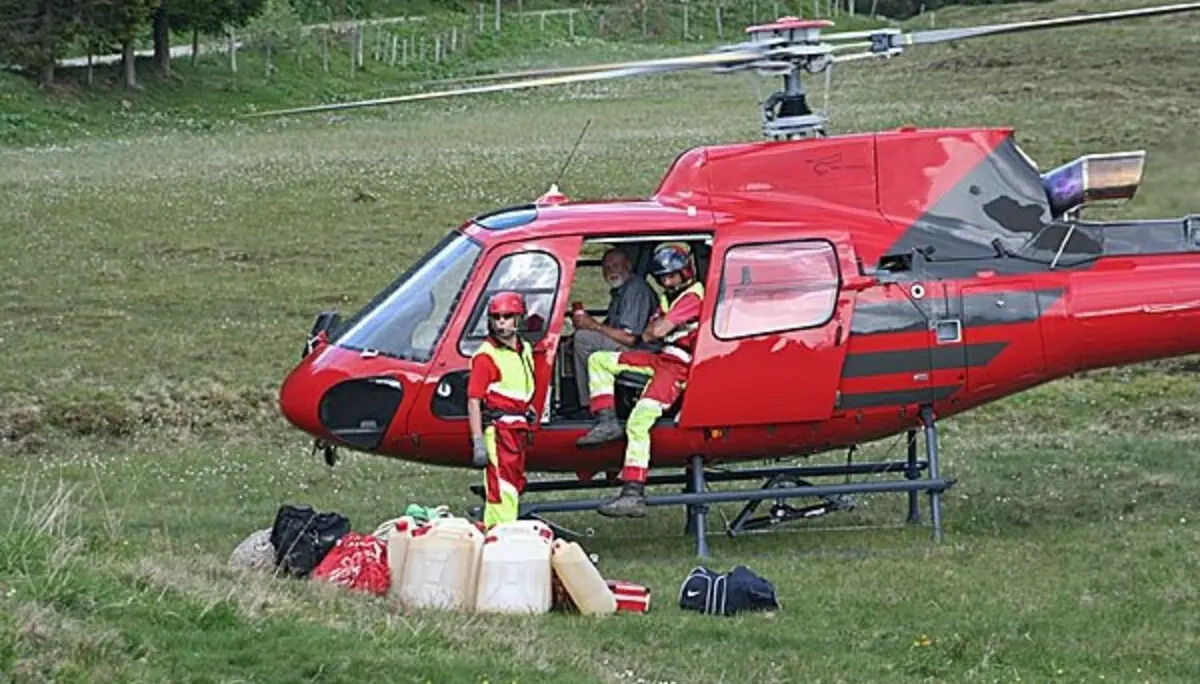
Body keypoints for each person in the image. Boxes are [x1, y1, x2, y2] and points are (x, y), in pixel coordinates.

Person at [575, 244, 705, 518]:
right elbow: (648, 335)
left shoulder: (693, 296)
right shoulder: (673, 297)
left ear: (685, 272)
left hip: (678, 368)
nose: (667, 282)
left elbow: (655, 330)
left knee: (638, 422)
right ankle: (606, 420)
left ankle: (633, 491)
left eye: (672, 276)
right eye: (662, 278)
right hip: (661, 359)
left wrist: (661, 328)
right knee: (599, 359)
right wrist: (660, 328)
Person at [467, 291, 539, 529]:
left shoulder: (524, 349)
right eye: (496, 317)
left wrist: (527, 410)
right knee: (502, 489)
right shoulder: (486, 356)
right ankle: (501, 536)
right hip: (499, 433)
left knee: (514, 485)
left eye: (507, 317)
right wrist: (478, 441)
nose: (501, 322)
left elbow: (521, 385)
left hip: (519, 430)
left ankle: (500, 536)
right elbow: (474, 400)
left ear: (518, 319)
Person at [569, 247, 657, 417]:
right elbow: (610, 328)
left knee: (583, 339)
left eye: (616, 266)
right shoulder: (620, 292)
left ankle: (589, 407)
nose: (611, 271)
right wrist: (588, 324)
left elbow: (630, 338)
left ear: (628, 266)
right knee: (576, 338)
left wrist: (593, 326)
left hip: (641, 353)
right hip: (629, 346)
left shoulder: (635, 290)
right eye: (607, 268)